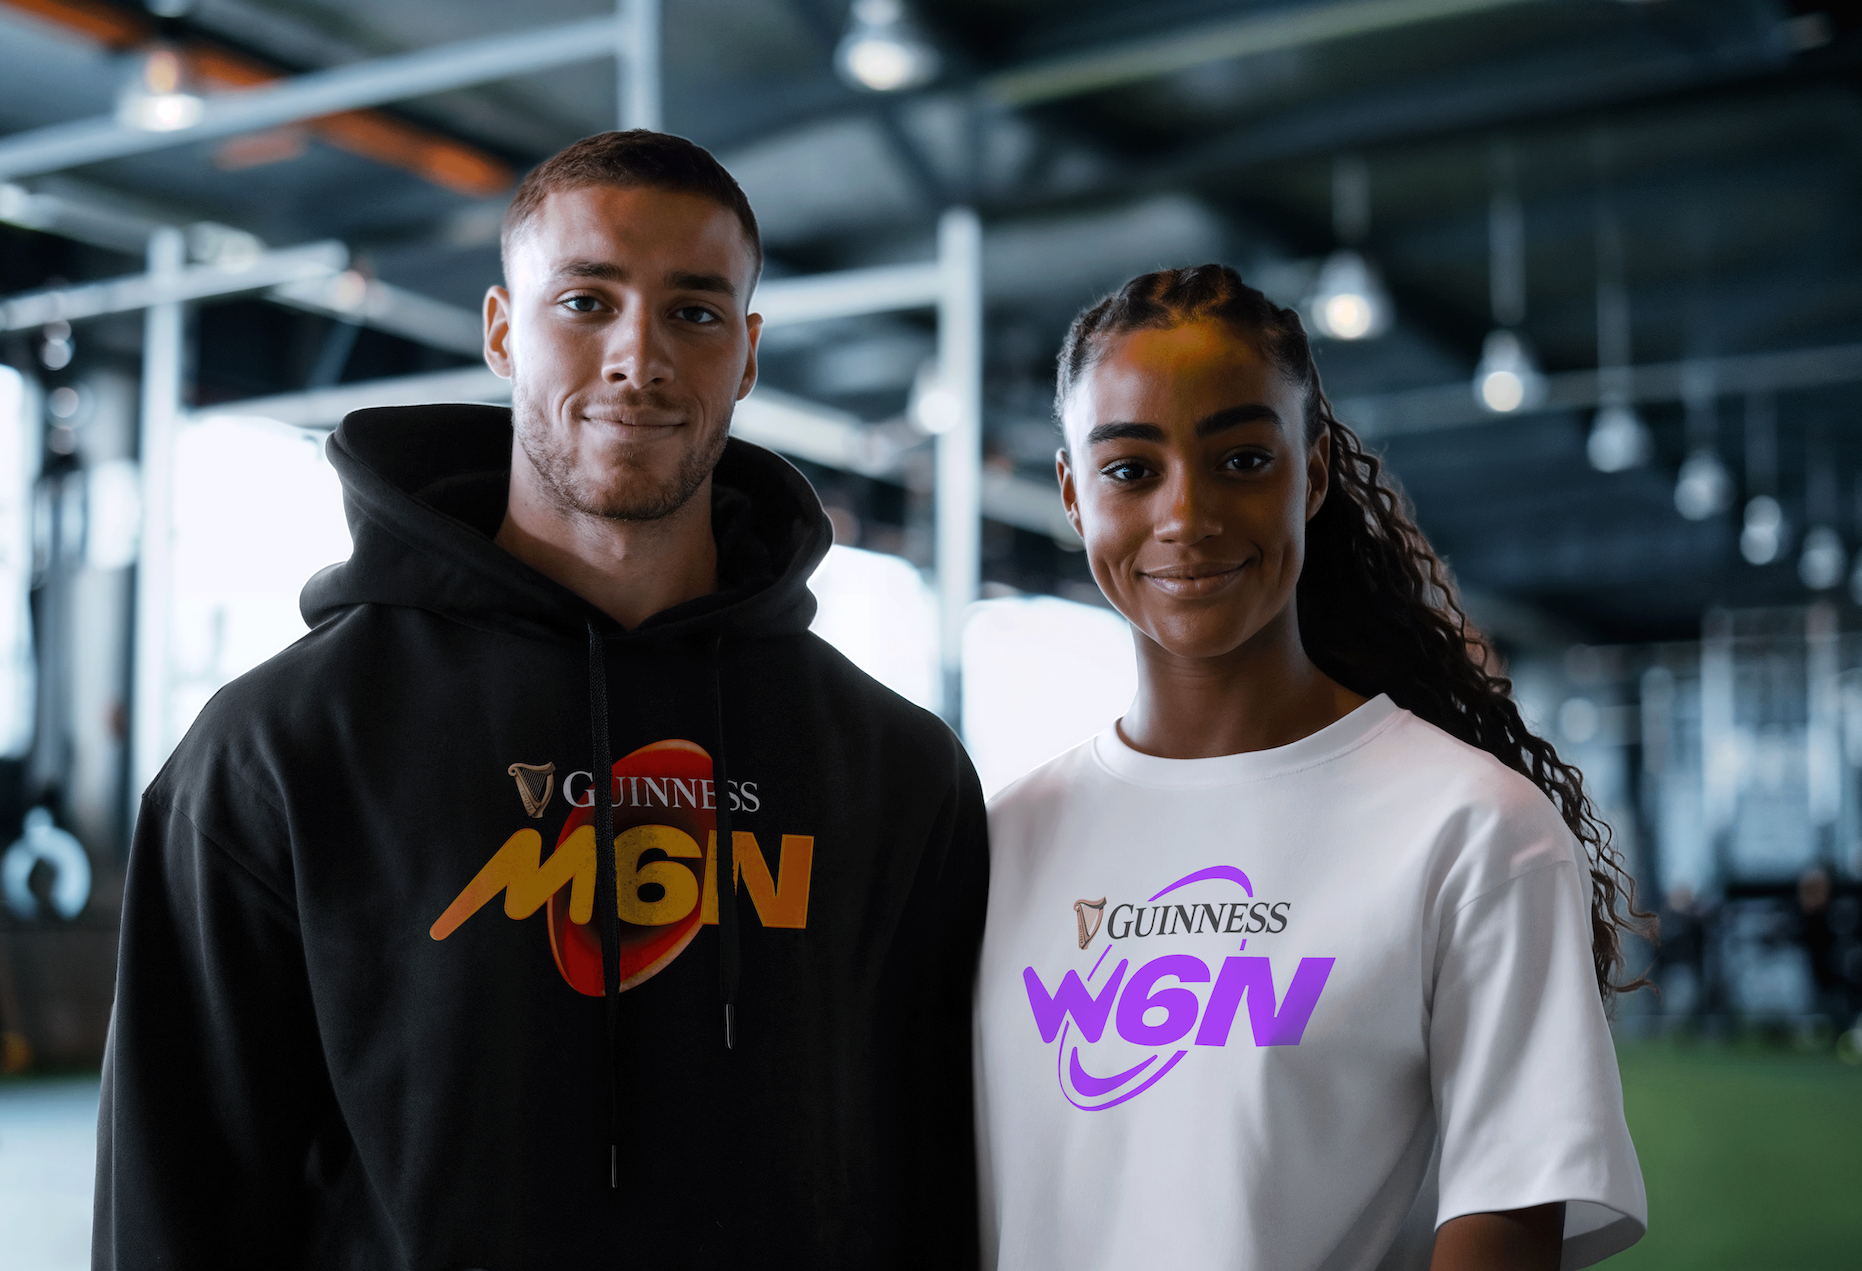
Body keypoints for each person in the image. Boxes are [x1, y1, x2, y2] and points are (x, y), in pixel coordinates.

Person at [95, 131, 988, 1268]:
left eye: (696, 313)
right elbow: (178, 1196)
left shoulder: (894, 770)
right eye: (586, 302)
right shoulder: (279, 748)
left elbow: (930, 1183)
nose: (639, 357)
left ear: (749, 354)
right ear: (503, 331)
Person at [975, 266, 1648, 1271]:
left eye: (1243, 457)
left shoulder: (1472, 830)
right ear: (1072, 492)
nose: (1188, 514)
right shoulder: (997, 839)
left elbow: (1506, 1220)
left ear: (1314, 473)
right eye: (1130, 469)